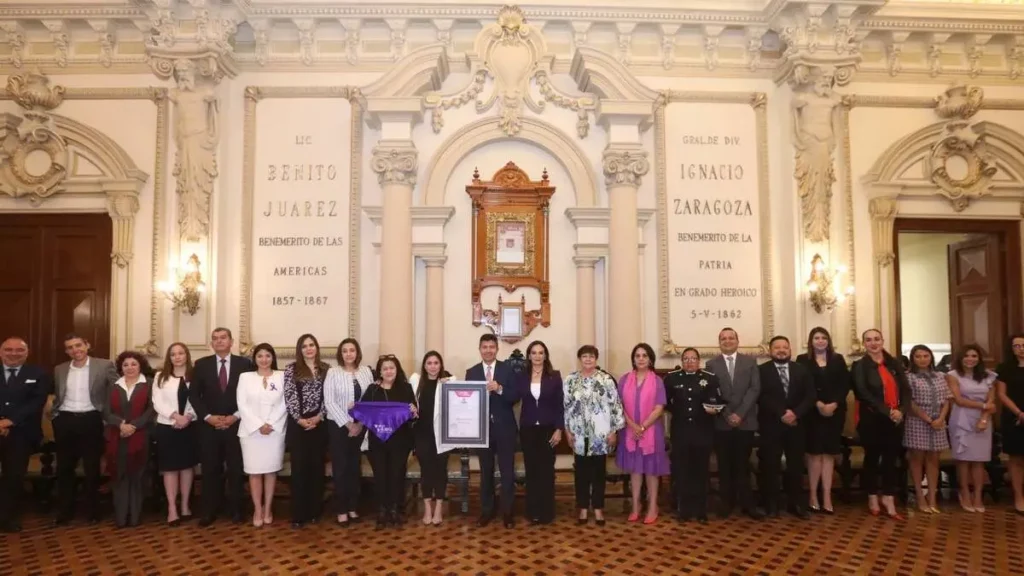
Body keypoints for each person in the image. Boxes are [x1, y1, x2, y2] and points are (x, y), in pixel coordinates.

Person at [189, 327, 255, 526]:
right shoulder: (201, 365)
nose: (219, 341)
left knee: (235, 469)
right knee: (210, 469)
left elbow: (250, 396)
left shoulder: (245, 364)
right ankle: (209, 510)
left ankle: (236, 510)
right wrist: (208, 417)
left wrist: (235, 417)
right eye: (215, 339)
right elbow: (194, 396)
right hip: (209, 427)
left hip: (236, 425)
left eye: (223, 338)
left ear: (231, 341)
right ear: (211, 343)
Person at [52, 333, 117, 525]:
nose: (75, 350)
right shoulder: (60, 369)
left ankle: (93, 511)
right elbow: (58, 394)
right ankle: (65, 511)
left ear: (87, 345)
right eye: (70, 347)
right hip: (65, 420)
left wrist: (107, 415)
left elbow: (116, 390)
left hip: (91, 420)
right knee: (64, 468)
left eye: (78, 345)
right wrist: (55, 416)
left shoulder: (104, 365)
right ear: (66, 351)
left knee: (91, 468)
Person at [706, 328, 763, 520]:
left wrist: (739, 414)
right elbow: (713, 394)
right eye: (723, 338)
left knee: (742, 465)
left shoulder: (750, 362)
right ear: (719, 342)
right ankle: (726, 503)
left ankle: (748, 504)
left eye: (731, 338)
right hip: (722, 424)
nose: (727, 341)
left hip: (745, 422)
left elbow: (755, 390)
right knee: (725, 466)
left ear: (738, 341)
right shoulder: (711, 364)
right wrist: (728, 414)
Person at [852, 329, 910, 519]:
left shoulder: (894, 363)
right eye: (868, 340)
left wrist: (900, 411)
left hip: (896, 419)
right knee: (872, 459)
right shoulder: (859, 365)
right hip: (872, 419)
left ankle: (888, 498)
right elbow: (862, 393)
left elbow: (906, 390)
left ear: (883, 341)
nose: (873, 343)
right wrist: (887, 411)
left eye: (877, 339)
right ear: (864, 344)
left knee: (890, 459)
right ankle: (872, 497)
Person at [563, 345, 624, 525]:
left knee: (598, 474)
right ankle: (582, 509)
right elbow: (566, 408)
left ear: (596, 359)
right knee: (581, 474)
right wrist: (567, 431)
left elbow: (616, 406)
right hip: (578, 435)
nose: (588, 359)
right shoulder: (570, 380)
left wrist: (614, 431)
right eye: (584, 356)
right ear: (579, 359)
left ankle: (598, 509)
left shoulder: (605, 380)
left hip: (601, 435)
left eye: (591, 356)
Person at [465, 333, 521, 528]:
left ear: (497, 349)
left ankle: (508, 513)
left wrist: (499, 389)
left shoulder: (508, 370)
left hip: (505, 428)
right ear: (479, 349)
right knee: (485, 472)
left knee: (507, 472)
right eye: (484, 347)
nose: (488, 350)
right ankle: (487, 511)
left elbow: (515, 396)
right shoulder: (471, 372)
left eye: (491, 347)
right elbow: (466, 401)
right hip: (482, 430)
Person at [757, 336, 814, 518]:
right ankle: (771, 504)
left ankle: (795, 503)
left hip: (796, 425)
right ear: (770, 350)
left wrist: (795, 414)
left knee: (795, 466)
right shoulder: (761, 371)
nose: (781, 350)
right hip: (771, 425)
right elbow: (761, 396)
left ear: (790, 349)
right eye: (777, 347)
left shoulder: (801, 370)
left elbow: (810, 396)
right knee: (770, 466)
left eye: (785, 347)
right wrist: (782, 413)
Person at [664, 347, 722, 524]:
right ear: (682, 362)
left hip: (702, 430)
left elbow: (717, 401)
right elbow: (665, 403)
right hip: (681, 431)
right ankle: (684, 509)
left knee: (700, 470)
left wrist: (714, 410)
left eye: (693, 359)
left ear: (699, 361)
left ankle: (701, 509)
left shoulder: (709, 379)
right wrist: (680, 413)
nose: (690, 362)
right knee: (682, 470)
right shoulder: (672, 379)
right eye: (686, 359)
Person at [795, 327, 849, 514]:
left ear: (828, 340)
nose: (820, 341)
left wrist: (833, 404)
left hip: (835, 413)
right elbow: (801, 386)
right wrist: (817, 404)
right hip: (812, 412)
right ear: (810, 341)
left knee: (829, 454)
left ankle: (827, 495)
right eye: (816, 338)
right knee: (814, 454)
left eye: (823, 338)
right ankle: (812, 495)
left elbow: (844, 385)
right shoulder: (802, 360)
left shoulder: (838, 359)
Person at [0, 337, 50, 533]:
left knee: (13, 477)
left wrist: (8, 422)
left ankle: (7, 518)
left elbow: (36, 402)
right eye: (8, 350)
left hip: (22, 433)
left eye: (19, 350)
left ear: (26, 353)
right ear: (1, 352)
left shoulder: (38, 374)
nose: (13, 353)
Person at [617, 343, 669, 524]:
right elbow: (619, 407)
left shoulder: (657, 381)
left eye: (644, 356)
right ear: (633, 359)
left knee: (651, 470)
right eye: (637, 355)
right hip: (630, 431)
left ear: (650, 359)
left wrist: (643, 427)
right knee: (635, 470)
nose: (640, 359)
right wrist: (632, 425)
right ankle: (635, 505)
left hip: (651, 432)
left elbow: (659, 407)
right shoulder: (624, 380)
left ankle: (653, 505)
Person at [362, 354, 417, 529]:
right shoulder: (372, 390)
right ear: (380, 371)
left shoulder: (406, 388)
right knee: (380, 476)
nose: (388, 371)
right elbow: (363, 411)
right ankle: (382, 510)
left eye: (391, 368)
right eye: (385, 368)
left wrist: (414, 411)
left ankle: (396, 510)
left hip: (400, 441)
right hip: (377, 441)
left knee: (396, 475)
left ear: (397, 369)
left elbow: (413, 415)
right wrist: (353, 407)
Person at [103, 351, 155, 528]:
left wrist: (134, 426)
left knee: (137, 476)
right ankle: (120, 517)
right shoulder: (113, 385)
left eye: (134, 364)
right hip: (116, 436)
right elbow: (106, 411)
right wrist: (120, 425)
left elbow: (151, 410)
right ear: (120, 368)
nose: (130, 368)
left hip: (139, 436)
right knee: (119, 476)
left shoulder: (149, 384)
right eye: (126, 365)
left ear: (140, 366)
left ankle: (134, 517)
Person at [324, 338, 372, 526]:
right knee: (341, 468)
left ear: (357, 353)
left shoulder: (366, 372)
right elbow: (329, 402)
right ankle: (341, 509)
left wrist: (359, 423)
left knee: (354, 467)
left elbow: (370, 398)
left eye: (352, 350)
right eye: (345, 351)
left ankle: (353, 507)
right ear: (340, 354)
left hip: (360, 426)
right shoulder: (333, 373)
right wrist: (348, 424)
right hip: (338, 427)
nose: (349, 354)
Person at [237, 343, 286, 527]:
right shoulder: (245, 377)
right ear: (254, 358)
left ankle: (268, 508)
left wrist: (271, 424)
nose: (264, 359)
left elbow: (284, 402)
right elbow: (242, 404)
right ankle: (257, 508)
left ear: (273, 357)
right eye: (260, 356)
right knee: (255, 472)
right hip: (251, 432)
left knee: (270, 471)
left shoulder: (281, 376)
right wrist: (259, 425)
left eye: (268, 356)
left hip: (274, 431)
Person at [283, 333, 329, 528]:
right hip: (298, 425)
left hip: (320, 424)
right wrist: (300, 420)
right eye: (304, 346)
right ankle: (299, 514)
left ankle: (314, 511)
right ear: (299, 350)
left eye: (312, 345)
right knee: (299, 470)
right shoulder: (291, 369)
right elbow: (290, 397)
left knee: (316, 469)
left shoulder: (326, 370)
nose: (309, 348)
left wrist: (319, 417)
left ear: (317, 347)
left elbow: (330, 396)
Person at [516, 341, 564, 525]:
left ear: (545, 355)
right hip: (528, 430)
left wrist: (559, 429)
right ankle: (532, 512)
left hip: (548, 430)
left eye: (541, 352)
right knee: (532, 472)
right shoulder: (521, 376)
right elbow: (512, 396)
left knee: (546, 471)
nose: (537, 356)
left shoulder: (555, 376)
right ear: (529, 355)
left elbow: (560, 405)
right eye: (534, 352)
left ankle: (547, 512)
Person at [152, 342, 199, 526]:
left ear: (186, 355)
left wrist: (187, 416)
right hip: (167, 427)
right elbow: (157, 401)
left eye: (181, 353)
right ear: (169, 358)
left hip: (190, 425)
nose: (177, 357)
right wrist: (175, 417)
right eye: (173, 354)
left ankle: (186, 505)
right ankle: (172, 508)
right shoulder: (160, 377)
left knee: (187, 467)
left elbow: (198, 399)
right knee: (170, 468)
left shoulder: (195, 376)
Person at [947, 344, 997, 513]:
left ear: (979, 358)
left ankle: (978, 496)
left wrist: (984, 418)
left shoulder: (988, 376)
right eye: (966, 356)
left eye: (974, 356)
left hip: (982, 421)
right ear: (960, 358)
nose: (970, 359)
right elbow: (959, 400)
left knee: (979, 460)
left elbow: (991, 403)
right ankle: (965, 493)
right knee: (963, 460)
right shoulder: (952, 375)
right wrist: (983, 405)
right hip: (961, 419)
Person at [902, 344, 951, 514]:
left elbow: (947, 400)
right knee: (917, 460)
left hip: (938, 421)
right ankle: (919, 496)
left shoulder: (941, 376)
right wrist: (928, 419)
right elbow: (910, 402)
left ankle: (932, 496)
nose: (922, 359)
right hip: (918, 421)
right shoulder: (909, 377)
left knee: (934, 460)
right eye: (918, 356)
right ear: (913, 359)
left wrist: (941, 418)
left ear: (931, 357)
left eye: (925, 356)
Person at [411, 351, 452, 525]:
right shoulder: (416, 382)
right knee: (426, 471)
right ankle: (427, 507)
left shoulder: (448, 381)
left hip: (442, 434)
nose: (433, 366)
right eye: (429, 363)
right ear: (424, 365)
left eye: (436, 363)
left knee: (440, 470)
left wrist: (448, 382)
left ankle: (439, 508)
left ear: (441, 365)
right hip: (422, 433)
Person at [995, 333, 1024, 515]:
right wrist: (1019, 413)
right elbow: (1002, 395)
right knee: (1016, 459)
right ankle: (1019, 497)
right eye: (1017, 346)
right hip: (1014, 418)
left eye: (1023, 345)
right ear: (1011, 349)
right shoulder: (1004, 368)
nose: (1021, 349)